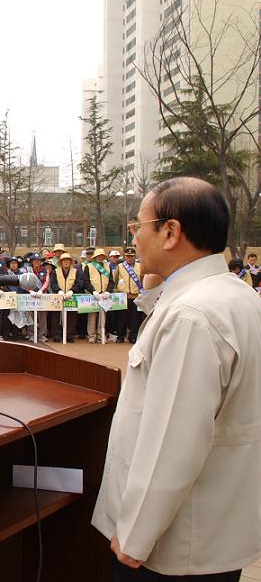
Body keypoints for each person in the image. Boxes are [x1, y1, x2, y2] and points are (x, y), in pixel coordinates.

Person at [92, 177, 261, 580]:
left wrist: (134, 535)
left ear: (170, 232)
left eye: (138, 227)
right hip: (212, 533)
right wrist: (155, 283)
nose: (133, 239)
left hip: (168, 546)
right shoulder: (233, 295)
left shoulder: (191, 316)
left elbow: (173, 441)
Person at [50, 252, 84, 343]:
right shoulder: (55, 271)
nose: (66, 262)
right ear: (61, 262)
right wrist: (58, 290)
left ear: (70, 262)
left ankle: (69, 335)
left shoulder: (76, 271)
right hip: (58, 296)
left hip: (71, 296)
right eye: (64, 260)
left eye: (67, 260)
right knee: (56, 316)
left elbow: (79, 283)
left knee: (72, 316)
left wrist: (72, 290)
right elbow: (53, 283)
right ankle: (56, 335)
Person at [114, 247, 145, 344]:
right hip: (123, 296)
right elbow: (115, 279)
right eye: (127, 256)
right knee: (121, 318)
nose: (130, 258)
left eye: (131, 256)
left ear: (134, 256)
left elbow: (143, 278)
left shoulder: (140, 266)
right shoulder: (120, 266)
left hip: (135, 296)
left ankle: (133, 336)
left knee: (134, 319)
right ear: (124, 256)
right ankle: (120, 336)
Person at [83, 248, 115, 343]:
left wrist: (108, 291)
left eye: (102, 256)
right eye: (98, 256)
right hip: (93, 295)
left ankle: (101, 335)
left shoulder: (107, 266)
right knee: (92, 316)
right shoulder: (89, 266)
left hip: (104, 295)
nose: (100, 257)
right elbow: (86, 281)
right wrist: (93, 291)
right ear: (95, 257)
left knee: (103, 316)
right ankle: (92, 336)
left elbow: (111, 281)